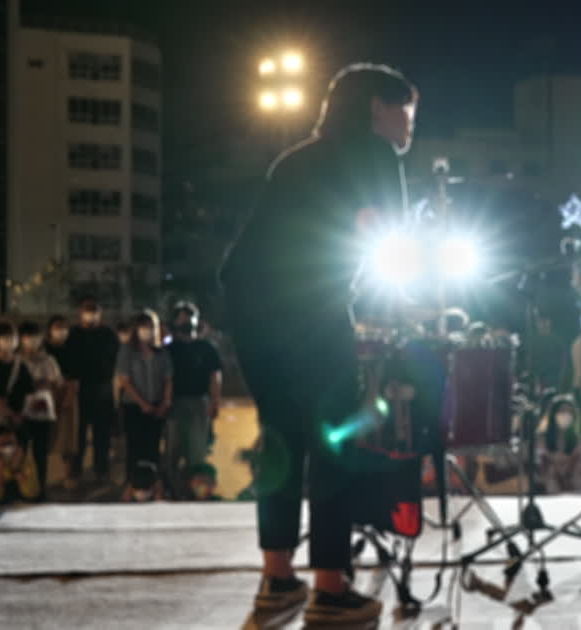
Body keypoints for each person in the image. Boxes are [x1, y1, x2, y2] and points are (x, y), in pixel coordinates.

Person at [220, 63, 417, 624]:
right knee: (332, 443)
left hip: (249, 309)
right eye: (406, 112)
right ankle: (330, 587)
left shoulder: (296, 158)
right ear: (377, 107)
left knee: (281, 439)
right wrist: (402, 301)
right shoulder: (376, 153)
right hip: (307, 309)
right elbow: (386, 234)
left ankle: (277, 579)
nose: (409, 126)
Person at [164, 302, 223, 499]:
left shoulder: (206, 347)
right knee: (172, 450)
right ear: (175, 322)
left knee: (197, 451)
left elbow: (215, 377)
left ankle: (195, 492)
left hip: (199, 403)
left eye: (189, 319)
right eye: (181, 319)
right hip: (174, 403)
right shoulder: (169, 349)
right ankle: (171, 491)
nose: (186, 323)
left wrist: (215, 402)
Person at [66, 297, 121, 483]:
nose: (90, 314)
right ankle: (75, 470)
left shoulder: (108, 334)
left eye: (94, 310)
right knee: (78, 433)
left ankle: (101, 470)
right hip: (78, 389)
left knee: (102, 433)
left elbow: (116, 359)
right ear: (80, 313)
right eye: (87, 310)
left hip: (102, 388)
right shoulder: (73, 334)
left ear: (100, 313)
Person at [116, 312, 173, 481]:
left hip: (157, 406)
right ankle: (132, 483)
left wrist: (165, 402)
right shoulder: (127, 350)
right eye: (143, 326)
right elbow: (124, 380)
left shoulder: (161, 352)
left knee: (153, 447)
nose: (147, 330)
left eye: (150, 326)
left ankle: (152, 484)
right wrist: (142, 404)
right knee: (135, 447)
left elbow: (168, 378)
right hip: (134, 406)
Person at [17, 322, 63, 499]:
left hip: (42, 412)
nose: (31, 341)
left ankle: (40, 488)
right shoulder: (17, 360)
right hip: (20, 411)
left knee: (41, 452)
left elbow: (57, 383)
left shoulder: (48, 360)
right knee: (20, 450)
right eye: (27, 337)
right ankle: (21, 488)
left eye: (34, 337)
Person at [534, 395, 581, 493]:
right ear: (553, 414)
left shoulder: (578, 437)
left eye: (569, 412)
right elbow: (543, 456)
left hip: (573, 471)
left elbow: (578, 456)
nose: (565, 415)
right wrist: (557, 461)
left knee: (577, 476)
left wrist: (565, 464)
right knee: (551, 474)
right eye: (562, 411)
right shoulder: (543, 436)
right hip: (550, 472)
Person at [44, 316, 80, 490]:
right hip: (46, 394)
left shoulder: (73, 349)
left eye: (64, 328)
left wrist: (68, 397)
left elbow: (76, 377)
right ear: (50, 329)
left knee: (68, 436)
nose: (61, 331)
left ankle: (68, 475)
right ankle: (41, 475)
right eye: (57, 327)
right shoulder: (44, 349)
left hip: (68, 392)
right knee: (45, 436)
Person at [0, 323, 35, 436]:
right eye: (5, 337)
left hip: (20, 416)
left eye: (13, 337)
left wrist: (21, 415)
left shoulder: (22, 365)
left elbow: (29, 392)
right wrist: (12, 415)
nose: (10, 341)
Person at [0, 425, 39, 506]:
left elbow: (32, 493)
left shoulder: (25, 460)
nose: (8, 448)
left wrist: (16, 468)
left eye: (11, 443)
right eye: (3, 444)